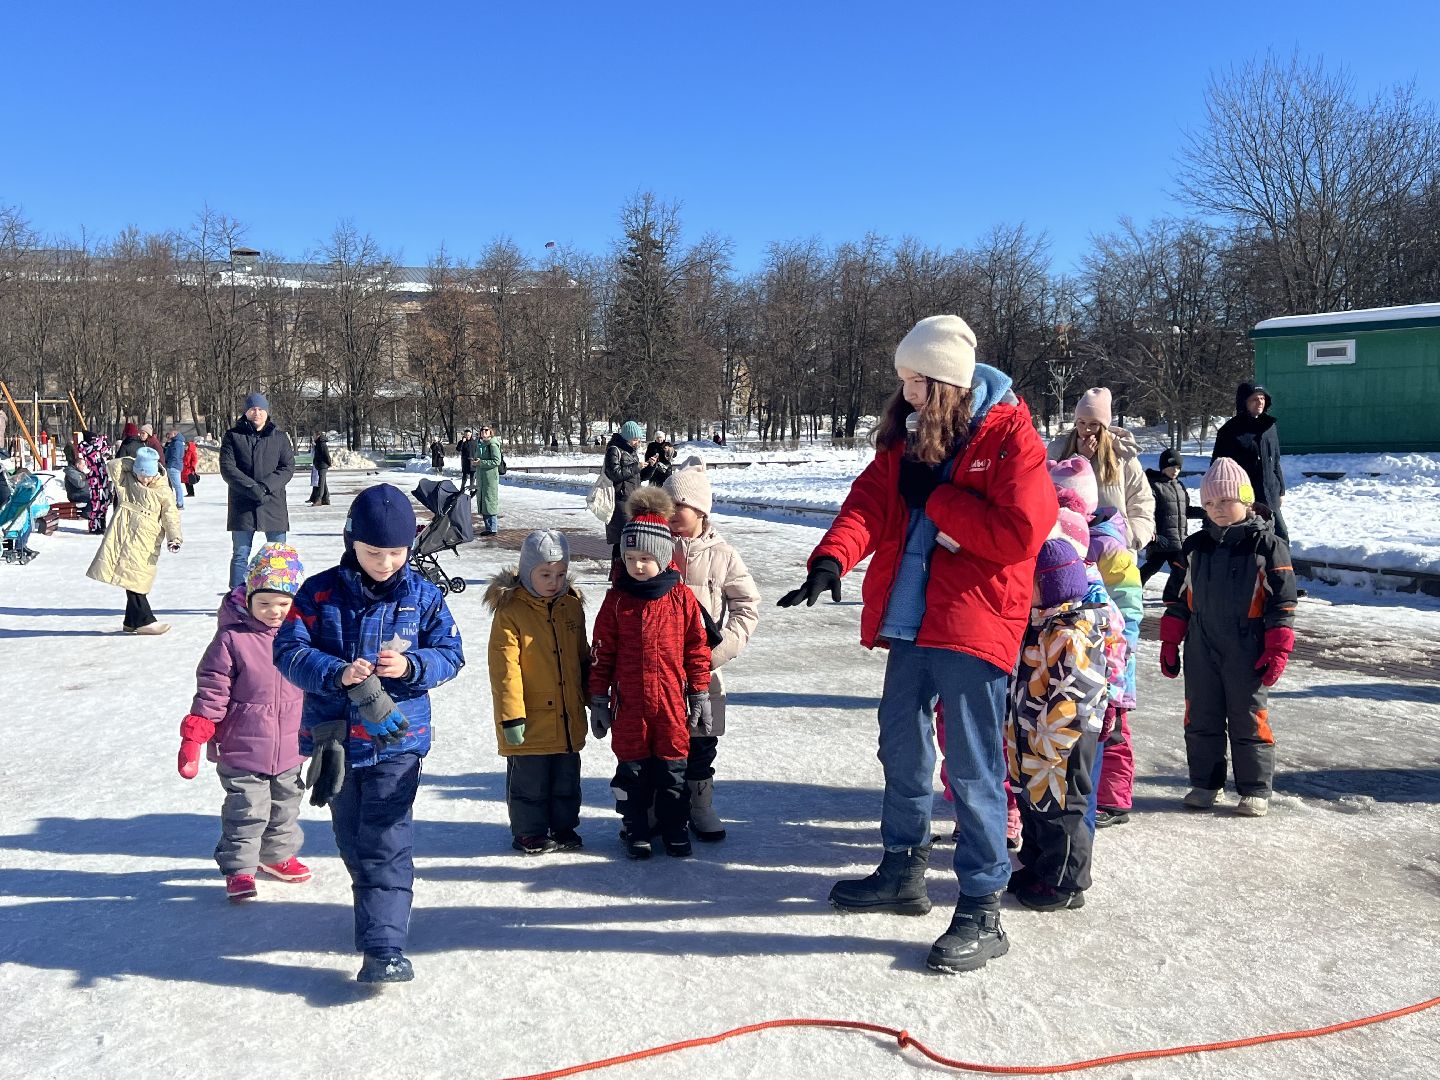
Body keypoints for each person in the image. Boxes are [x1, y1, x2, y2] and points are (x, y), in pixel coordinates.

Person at [776, 314, 1055, 975]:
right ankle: (903, 870)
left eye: (917, 382)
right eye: (902, 380)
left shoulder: (1010, 436)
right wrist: (831, 560)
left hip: (973, 621)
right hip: (910, 619)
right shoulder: (908, 437)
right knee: (900, 747)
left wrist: (942, 499)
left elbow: (1022, 532)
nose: (905, 394)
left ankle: (982, 905)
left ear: (948, 382)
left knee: (972, 766)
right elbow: (870, 504)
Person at [274, 483, 465, 983]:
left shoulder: (423, 596)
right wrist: (335, 672)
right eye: (373, 552)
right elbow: (288, 651)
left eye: (396, 552)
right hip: (336, 741)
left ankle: (384, 947)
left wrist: (411, 666)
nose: (385, 562)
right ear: (351, 541)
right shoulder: (318, 592)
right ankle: (376, 907)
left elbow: (451, 654)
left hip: (398, 741)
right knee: (353, 838)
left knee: (386, 837)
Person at [1159, 458, 1296, 817]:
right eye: (1209, 503)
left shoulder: (1266, 545)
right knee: (1200, 715)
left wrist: (1278, 647)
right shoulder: (1194, 547)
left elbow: (1282, 602)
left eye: (1225, 500)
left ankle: (1254, 788)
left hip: (1247, 645)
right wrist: (1171, 641)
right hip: (1201, 645)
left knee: (1247, 715)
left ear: (1246, 500)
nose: (1217, 509)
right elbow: (1177, 599)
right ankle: (1206, 784)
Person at [178, 544, 310, 901]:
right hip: (242, 745)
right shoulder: (232, 639)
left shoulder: (303, 637)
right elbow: (213, 688)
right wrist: (195, 734)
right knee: (247, 810)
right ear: (247, 598)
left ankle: (277, 856)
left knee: (286, 805)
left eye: (283, 604)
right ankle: (239, 869)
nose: (274, 611)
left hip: (291, 745)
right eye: (264, 603)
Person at [588, 489, 711, 860]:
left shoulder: (681, 598)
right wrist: (598, 698)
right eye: (630, 558)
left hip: (671, 704)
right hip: (629, 706)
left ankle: (675, 828)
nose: (637, 566)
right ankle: (635, 828)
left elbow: (696, 649)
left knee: (674, 772)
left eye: (645, 558)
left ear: (662, 556)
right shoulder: (617, 600)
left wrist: (699, 692)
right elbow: (601, 652)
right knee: (633, 772)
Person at [1006, 539, 1107, 911]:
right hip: (1031, 736)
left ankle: (1066, 883)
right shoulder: (1040, 625)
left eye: (1029, 581)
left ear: (1050, 585)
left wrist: (1051, 742)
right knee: (1033, 804)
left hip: (1063, 740)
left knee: (1061, 811)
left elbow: (1076, 695)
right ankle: (1039, 868)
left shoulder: (1071, 633)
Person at [663, 457, 760, 841]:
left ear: (701, 510)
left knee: (702, 743)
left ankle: (701, 806)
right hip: (659, 668)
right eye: (667, 505)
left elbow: (747, 606)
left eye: (680, 505)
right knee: (661, 743)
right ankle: (659, 807)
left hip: (704, 672)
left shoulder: (723, 554)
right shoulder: (654, 547)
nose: (672, 512)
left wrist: (718, 652)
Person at [486, 530, 589, 855]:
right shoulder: (511, 611)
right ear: (527, 570)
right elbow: (505, 671)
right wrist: (511, 717)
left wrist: (594, 698)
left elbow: (582, 658)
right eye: (545, 574)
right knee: (530, 782)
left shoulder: (571, 606)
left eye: (560, 574)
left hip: (568, 715)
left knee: (566, 780)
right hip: (529, 718)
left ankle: (563, 827)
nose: (554, 582)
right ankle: (529, 832)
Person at [1051, 457, 1141, 829]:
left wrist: (1122, 645)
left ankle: (1114, 798)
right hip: (1078, 653)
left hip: (1111, 653)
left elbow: (1128, 602)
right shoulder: (1058, 532)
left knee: (1113, 730)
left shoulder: (1106, 542)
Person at [85, 446, 182, 635]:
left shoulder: (163, 490)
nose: (143, 479)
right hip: (123, 533)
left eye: (148, 475)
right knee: (132, 576)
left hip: (147, 538)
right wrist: (135, 463)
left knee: (138, 575)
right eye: (140, 474)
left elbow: (171, 515)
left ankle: (131, 620)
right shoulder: (127, 480)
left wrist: (174, 537)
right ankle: (145, 620)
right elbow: (113, 466)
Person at [1046, 388, 1155, 551]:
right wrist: (1080, 459)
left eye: (1093, 424)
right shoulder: (1057, 451)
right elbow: (1049, 493)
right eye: (1081, 422)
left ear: (1104, 426)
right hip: (1070, 545)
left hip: (1115, 546)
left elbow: (1141, 498)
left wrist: (1133, 537)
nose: (1086, 429)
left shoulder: (1122, 454)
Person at [220, 393, 295, 590]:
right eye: (253, 409)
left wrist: (265, 487)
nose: (257, 413)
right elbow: (228, 468)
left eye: (261, 409)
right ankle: (237, 596)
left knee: (278, 553)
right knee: (240, 554)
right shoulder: (233, 436)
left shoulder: (279, 437)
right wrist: (251, 488)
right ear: (246, 412)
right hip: (242, 505)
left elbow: (287, 468)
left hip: (273, 503)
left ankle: (278, 591)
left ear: (267, 412)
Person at [1212, 381, 1287, 542]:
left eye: (1262, 398)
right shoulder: (1229, 431)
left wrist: (1281, 490)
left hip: (1270, 494)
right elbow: (1218, 469)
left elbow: (1275, 461)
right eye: (1254, 399)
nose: (1260, 402)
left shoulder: (1269, 426)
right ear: (1244, 402)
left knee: (1281, 538)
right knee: (1253, 540)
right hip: (1246, 497)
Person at [1140, 448, 1202, 585]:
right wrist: (1153, 536)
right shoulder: (1154, 486)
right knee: (1150, 569)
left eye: (1178, 467)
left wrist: (1204, 513)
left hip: (1177, 543)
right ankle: (1132, 589)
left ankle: (1182, 596)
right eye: (1172, 466)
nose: (1175, 471)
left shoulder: (1179, 486)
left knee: (1183, 573)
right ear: (1163, 466)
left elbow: (1185, 511)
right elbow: (1148, 512)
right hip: (1161, 542)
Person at [603, 421, 645, 572]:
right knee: (621, 539)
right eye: (635, 439)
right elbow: (614, 474)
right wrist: (636, 467)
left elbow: (636, 477)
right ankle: (617, 573)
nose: (637, 442)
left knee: (629, 538)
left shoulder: (630, 451)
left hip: (631, 499)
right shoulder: (614, 450)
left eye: (638, 439)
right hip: (620, 500)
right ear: (627, 437)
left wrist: (650, 467)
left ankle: (624, 572)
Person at [78, 431, 113, 533]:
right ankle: (94, 527)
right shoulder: (85, 448)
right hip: (94, 479)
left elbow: (106, 447)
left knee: (103, 502)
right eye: (93, 440)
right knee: (96, 503)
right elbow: (94, 449)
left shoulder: (96, 447)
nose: (95, 441)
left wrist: (105, 441)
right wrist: (101, 440)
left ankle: (101, 525)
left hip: (102, 479)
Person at [475, 424, 503, 535]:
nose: (484, 432)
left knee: (490, 501)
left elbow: (497, 461)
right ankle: (488, 527)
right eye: (482, 430)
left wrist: (481, 463)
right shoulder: (480, 444)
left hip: (490, 478)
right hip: (482, 477)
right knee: (484, 502)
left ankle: (492, 528)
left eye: (486, 430)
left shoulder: (492, 444)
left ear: (490, 432)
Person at [163, 429, 187, 510]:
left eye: (170, 434)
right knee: (176, 485)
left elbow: (175, 455)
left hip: (173, 466)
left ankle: (179, 503)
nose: (169, 436)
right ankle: (178, 502)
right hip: (175, 465)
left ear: (174, 434)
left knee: (176, 486)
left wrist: (170, 464)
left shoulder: (176, 443)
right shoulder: (178, 442)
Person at [308, 432, 332, 506]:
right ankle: (326, 499)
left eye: (314, 436)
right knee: (323, 482)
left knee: (321, 483)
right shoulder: (318, 443)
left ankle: (319, 499)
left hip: (322, 465)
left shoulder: (322, 444)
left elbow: (326, 454)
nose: (313, 437)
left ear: (318, 435)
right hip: (319, 465)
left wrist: (329, 463)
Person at [456, 428, 477, 493]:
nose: (467, 436)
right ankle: (461, 490)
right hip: (465, 462)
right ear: (464, 435)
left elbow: (477, 451)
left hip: (473, 462)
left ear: (471, 435)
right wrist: (462, 442)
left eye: (468, 435)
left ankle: (471, 490)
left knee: (472, 478)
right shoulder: (461, 442)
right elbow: (458, 449)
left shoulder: (474, 442)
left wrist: (476, 459)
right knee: (464, 477)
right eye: (466, 435)